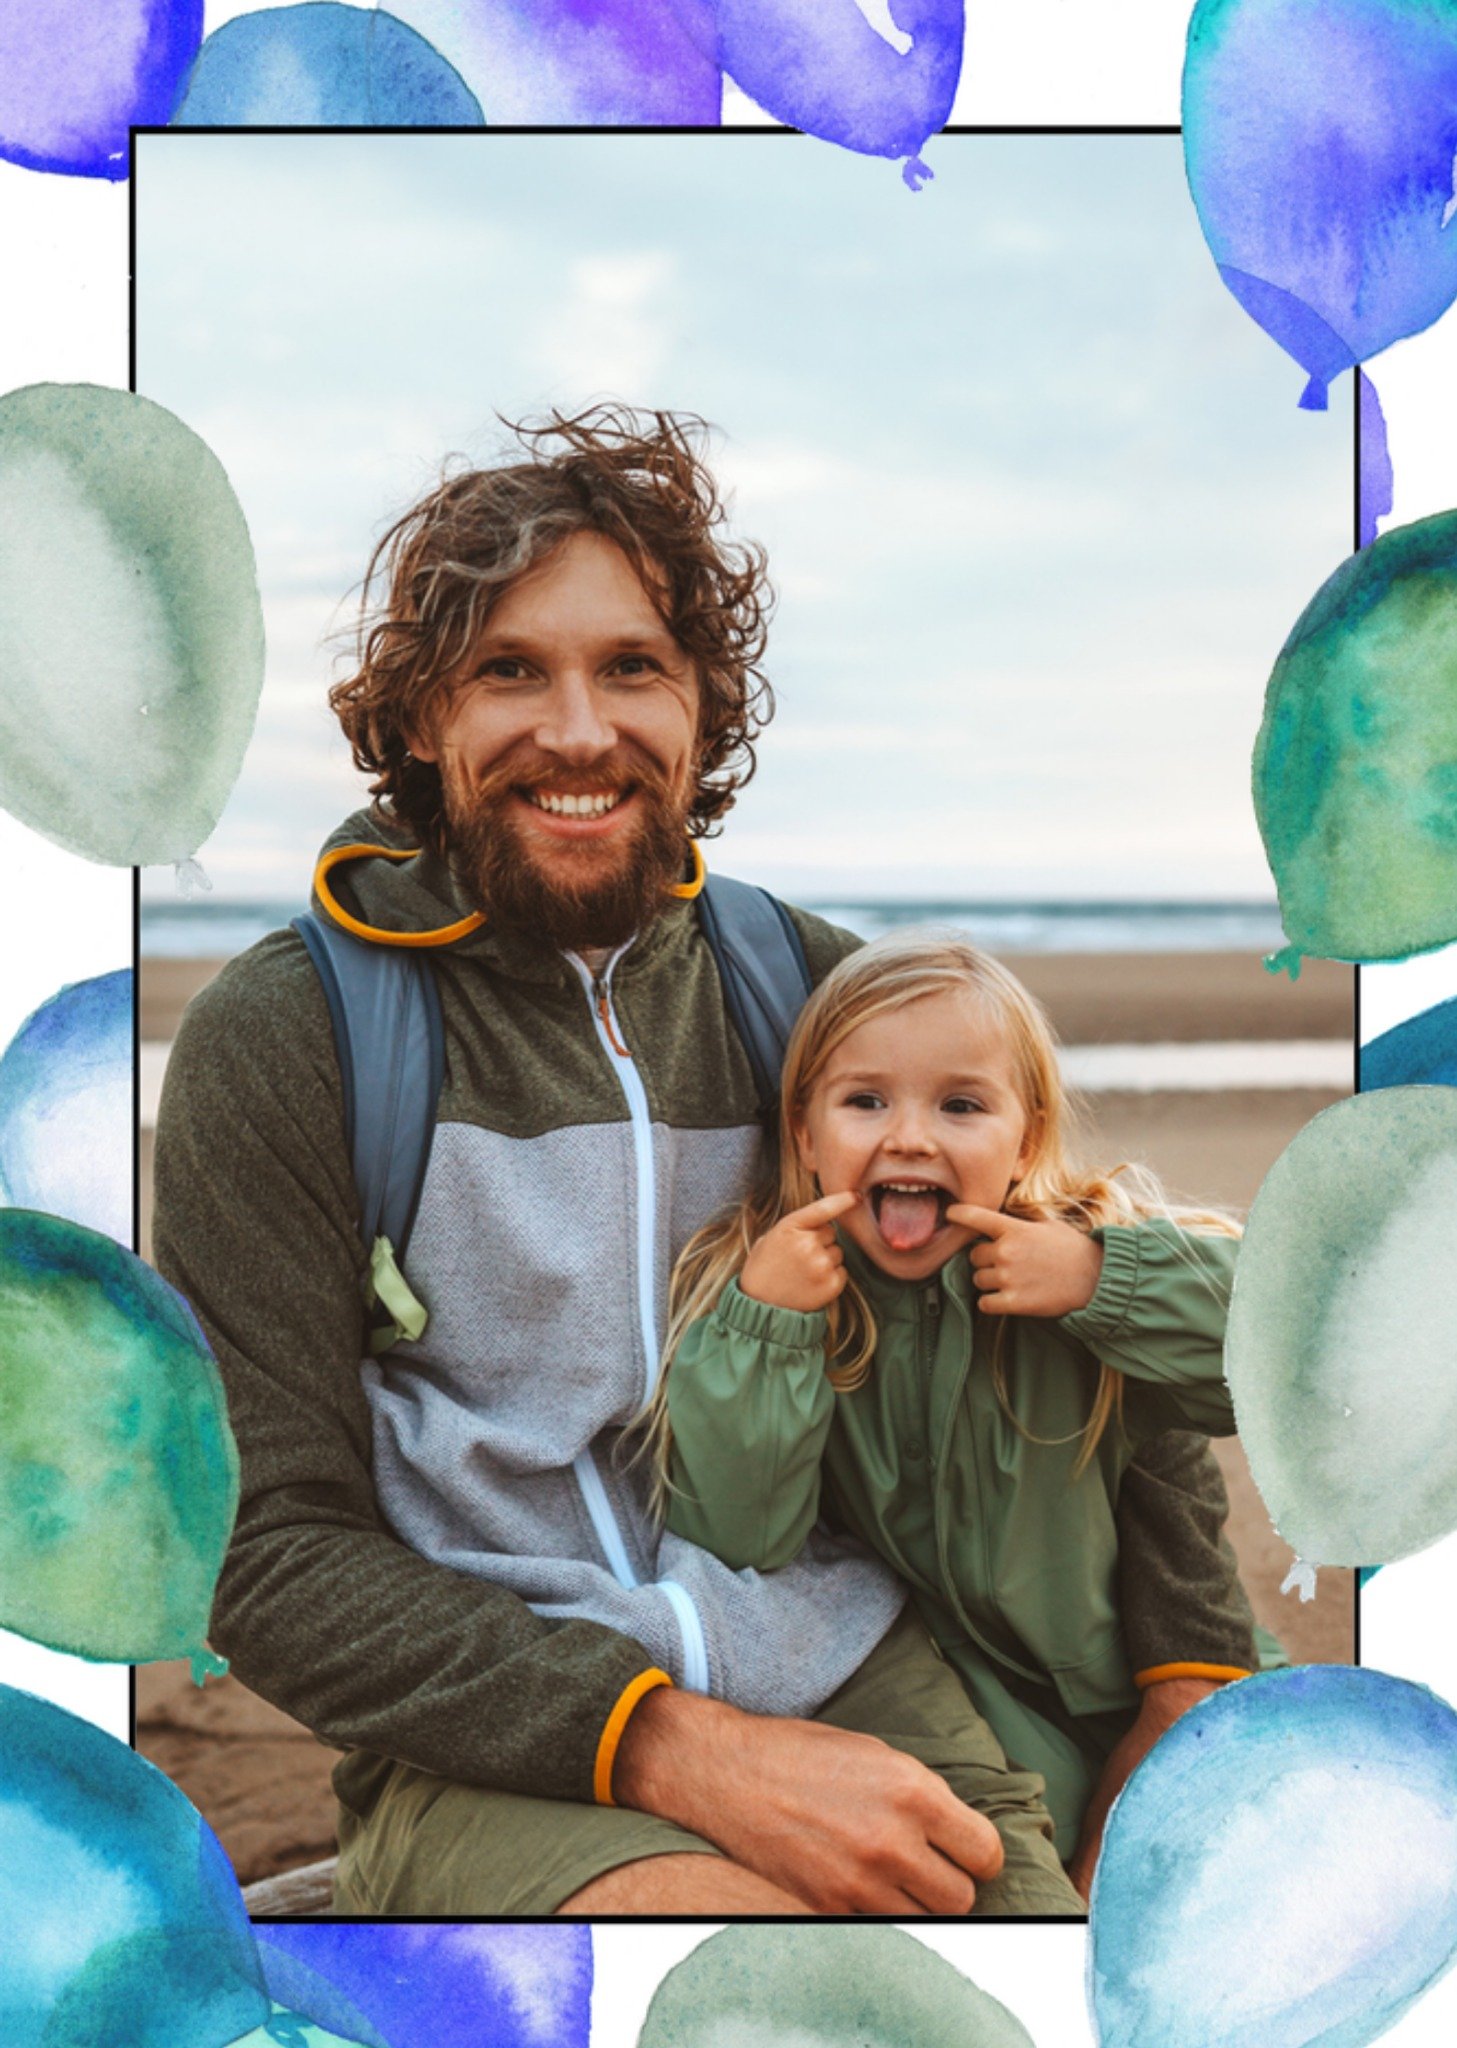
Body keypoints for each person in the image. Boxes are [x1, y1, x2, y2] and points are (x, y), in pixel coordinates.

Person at [152, 405, 1259, 1917]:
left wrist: (1189, 1676)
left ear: (701, 708)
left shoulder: (805, 993)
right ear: (421, 718)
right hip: (488, 1734)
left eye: (632, 669)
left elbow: (1071, 1277)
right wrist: (675, 1747)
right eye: (507, 672)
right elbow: (267, 1555)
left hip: (858, 1662)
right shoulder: (294, 1040)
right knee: (755, 1977)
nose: (580, 730)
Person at [658, 931, 1244, 1863]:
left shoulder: (1087, 1256)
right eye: (864, 1101)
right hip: (975, 1713)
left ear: (1027, 1140)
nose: (910, 1135)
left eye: (961, 1105)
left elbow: (1275, 1368)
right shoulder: (773, 1294)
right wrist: (767, 1332)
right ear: (805, 1135)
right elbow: (741, 1532)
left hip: (1142, 1684)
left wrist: (1103, 1280)